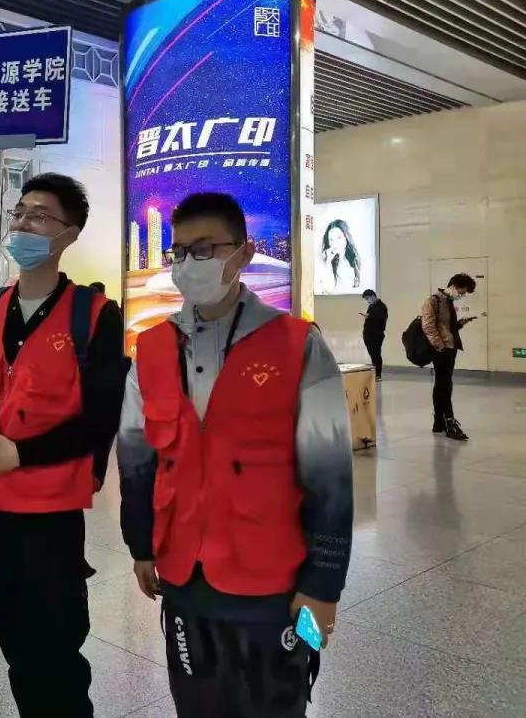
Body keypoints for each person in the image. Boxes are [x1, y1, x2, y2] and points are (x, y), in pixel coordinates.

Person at [117, 192, 354, 718]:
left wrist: (323, 587)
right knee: (196, 706)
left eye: (205, 249)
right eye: (180, 252)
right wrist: (141, 546)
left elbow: (331, 478)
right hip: (184, 577)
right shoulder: (150, 351)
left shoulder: (297, 345)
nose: (189, 264)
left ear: (244, 253)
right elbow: (136, 462)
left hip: (272, 583)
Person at [0, 173, 127, 718]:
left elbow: (100, 417)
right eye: (19, 212)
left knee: (54, 645)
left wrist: (21, 454)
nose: (23, 224)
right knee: (13, 638)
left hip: (50, 513)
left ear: (68, 234)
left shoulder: (94, 315)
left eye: (39, 216)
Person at [422, 273, 477, 441]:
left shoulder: (448, 301)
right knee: (445, 386)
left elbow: (446, 327)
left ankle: (439, 422)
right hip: (441, 350)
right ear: (453, 286)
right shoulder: (433, 300)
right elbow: (428, 326)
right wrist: (439, 346)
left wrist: (460, 324)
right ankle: (449, 421)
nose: (462, 295)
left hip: (450, 349)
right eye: (461, 292)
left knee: (442, 385)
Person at [316, 219, 362, 294]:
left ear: (346, 237)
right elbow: (327, 289)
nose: (335, 243)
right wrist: (328, 262)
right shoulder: (326, 259)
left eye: (339, 238)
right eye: (331, 240)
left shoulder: (354, 258)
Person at [361, 289, 388, 380]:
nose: (367, 301)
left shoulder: (381, 306)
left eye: (367, 298)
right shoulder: (371, 306)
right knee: (372, 354)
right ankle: (375, 373)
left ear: (373, 296)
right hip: (368, 333)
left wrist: (369, 317)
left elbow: (380, 318)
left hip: (376, 334)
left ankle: (378, 374)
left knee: (376, 354)